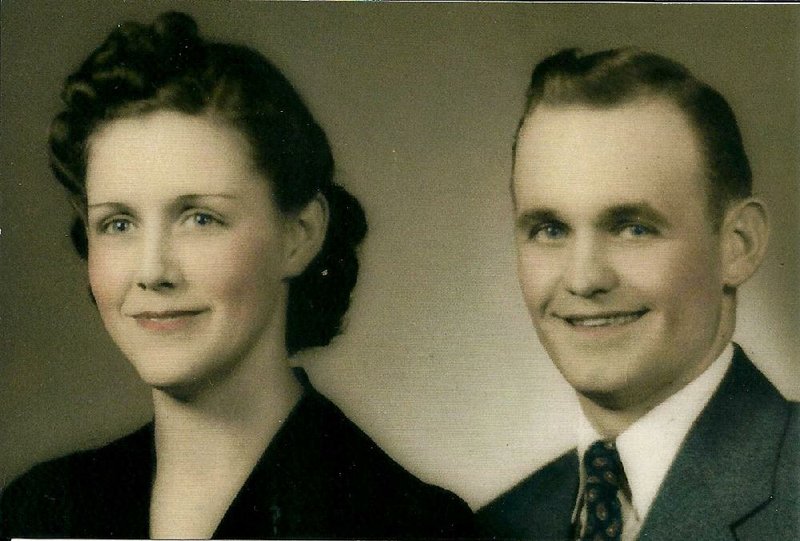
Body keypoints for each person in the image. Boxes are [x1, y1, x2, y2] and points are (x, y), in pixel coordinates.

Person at [0, 12, 474, 539]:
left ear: (299, 235)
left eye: (201, 218)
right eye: (118, 223)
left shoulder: (412, 526)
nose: (152, 270)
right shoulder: (40, 511)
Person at [477, 48, 799, 540]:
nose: (584, 280)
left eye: (632, 229)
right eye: (549, 230)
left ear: (739, 246)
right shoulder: (497, 528)